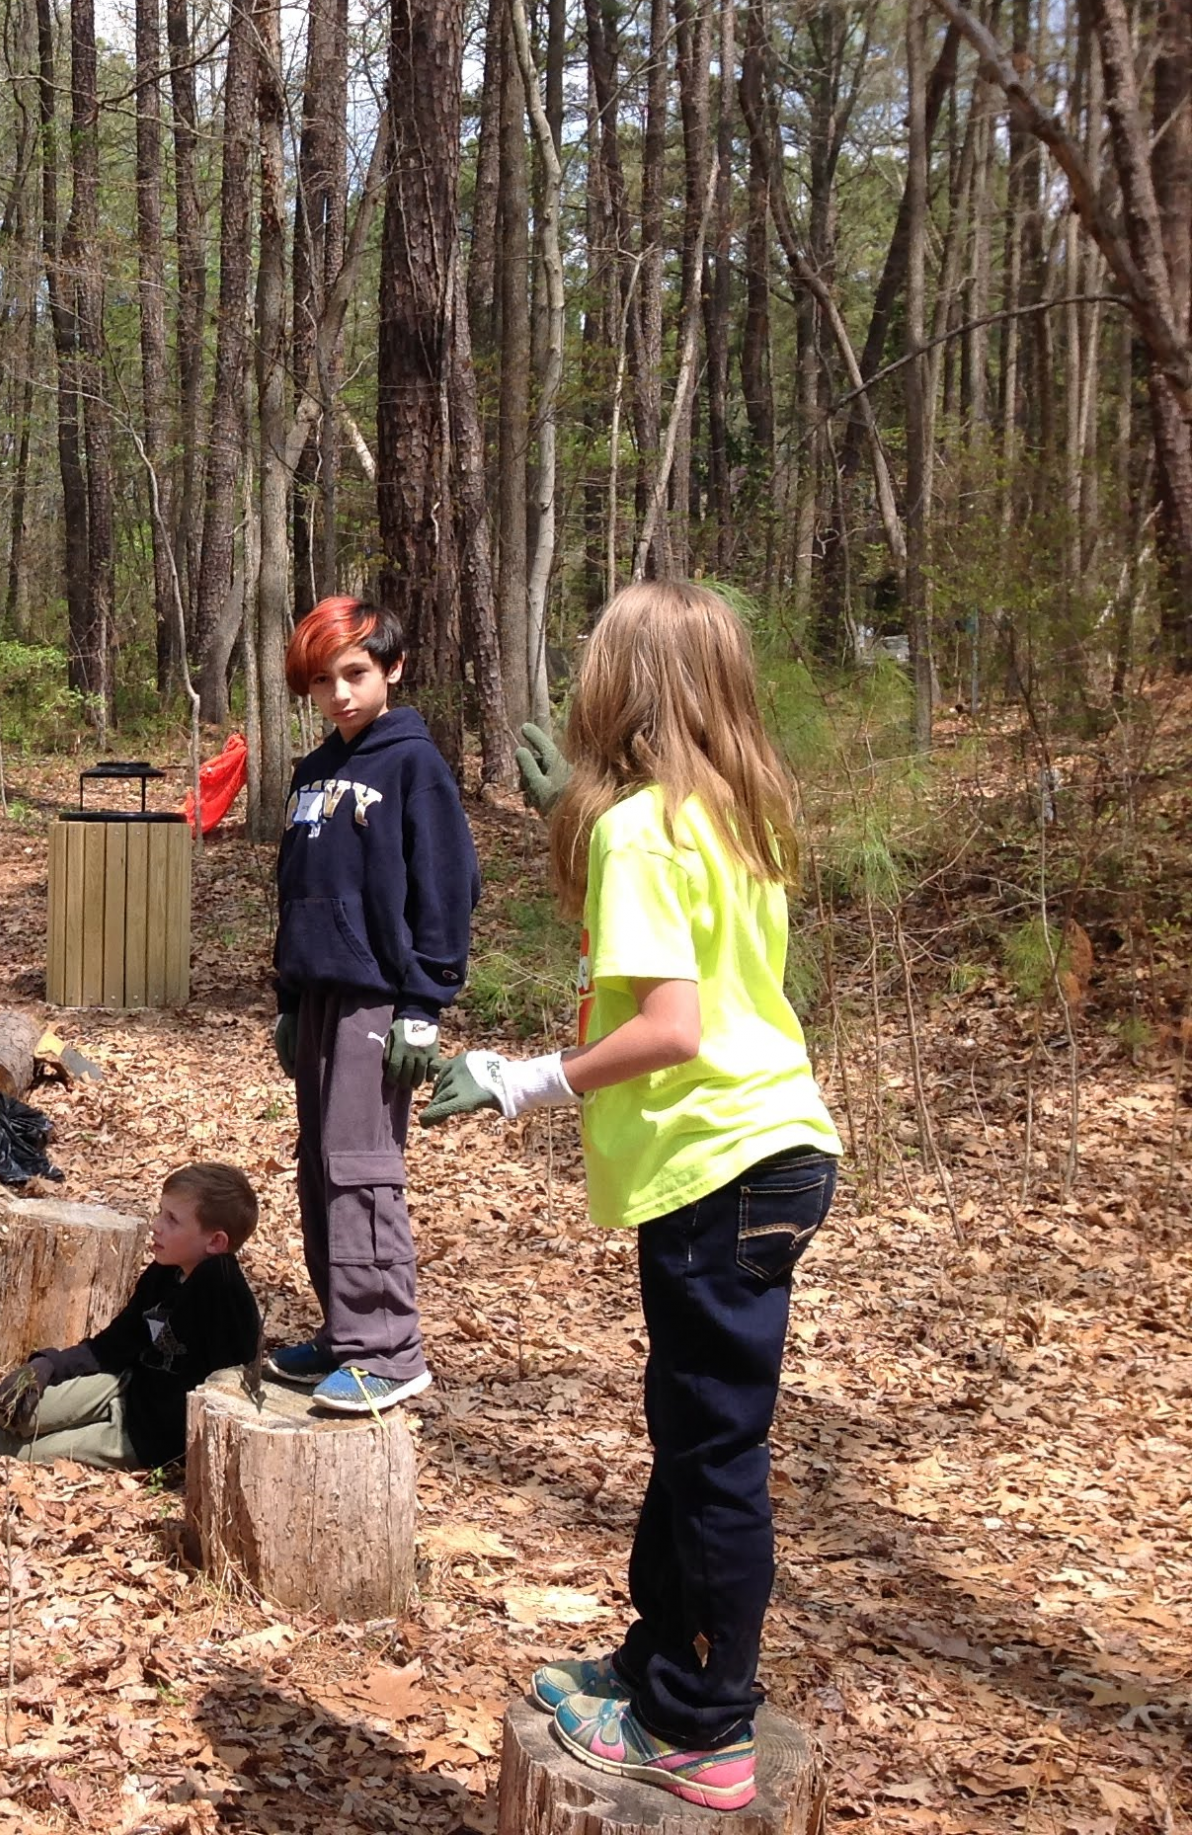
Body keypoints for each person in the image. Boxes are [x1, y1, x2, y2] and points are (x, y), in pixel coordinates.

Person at [421, 580, 842, 1813]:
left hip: (723, 1164)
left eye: (590, 665)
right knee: (692, 1429)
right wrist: (575, 819)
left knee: (713, 1455)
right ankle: (659, 1665)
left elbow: (668, 1025)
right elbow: (668, 971)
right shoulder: (731, 812)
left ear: (624, 687)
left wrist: (517, 1079)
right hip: (760, 1156)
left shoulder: (645, 830)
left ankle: (703, 1723)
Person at [266, 597, 478, 1415]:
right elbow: (298, 890)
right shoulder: (315, 771)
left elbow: (448, 888)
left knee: (362, 1170)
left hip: (379, 1001)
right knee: (320, 1169)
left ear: (391, 668)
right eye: (323, 682)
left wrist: (424, 1003)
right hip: (318, 994)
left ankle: (390, 1349)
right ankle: (344, 1329)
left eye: (354, 674)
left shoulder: (412, 766)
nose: (340, 695)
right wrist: (288, 997)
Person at [0, 1163, 262, 1470]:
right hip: (125, 1388)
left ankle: (2, 1418)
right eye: (160, 1212)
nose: (156, 1225)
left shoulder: (221, 1286)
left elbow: (230, 1387)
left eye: (172, 1220)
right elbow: (113, 1346)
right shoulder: (165, 1272)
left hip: (149, 1436)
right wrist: (49, 1364)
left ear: (216, 1243)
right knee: (13, 1414)